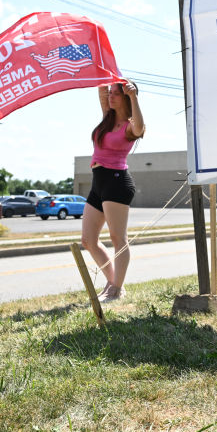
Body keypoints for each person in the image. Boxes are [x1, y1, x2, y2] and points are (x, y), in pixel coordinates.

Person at [81, 78, 144, 302]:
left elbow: (139, 128)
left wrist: (133, 96)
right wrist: (101, 72)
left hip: (117, 182)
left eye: (116, 93)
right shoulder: (107, 118)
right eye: (111, 93)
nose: (111, 96)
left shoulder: (130, 125)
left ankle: (117, 289)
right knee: (88, 240)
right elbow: (102, 89)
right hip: (98, 181)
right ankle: (113, 282)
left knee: (118, 238)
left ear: (126, 97)